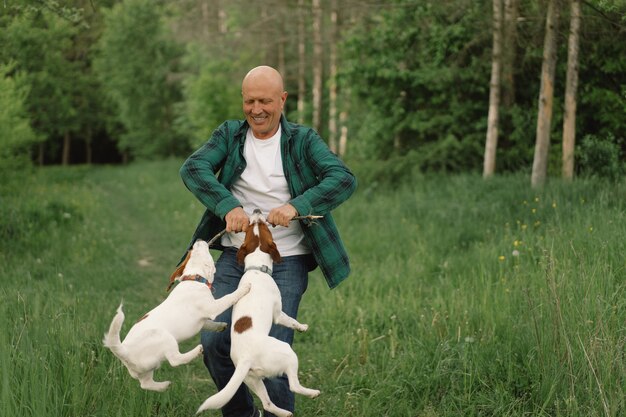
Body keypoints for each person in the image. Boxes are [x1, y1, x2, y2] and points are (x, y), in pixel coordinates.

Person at [179, 65, 356, 417]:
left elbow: (343, 177)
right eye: (249, 101)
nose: (256, 109)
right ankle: (244, 413)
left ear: (283, 100)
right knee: (214, 341)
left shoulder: (303, 140)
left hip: (286, 259)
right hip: (236, 256)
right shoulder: (229, 135)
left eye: (265, 101)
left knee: (274, 347)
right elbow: (193, 167)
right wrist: (228, 205)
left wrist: (297, 206)